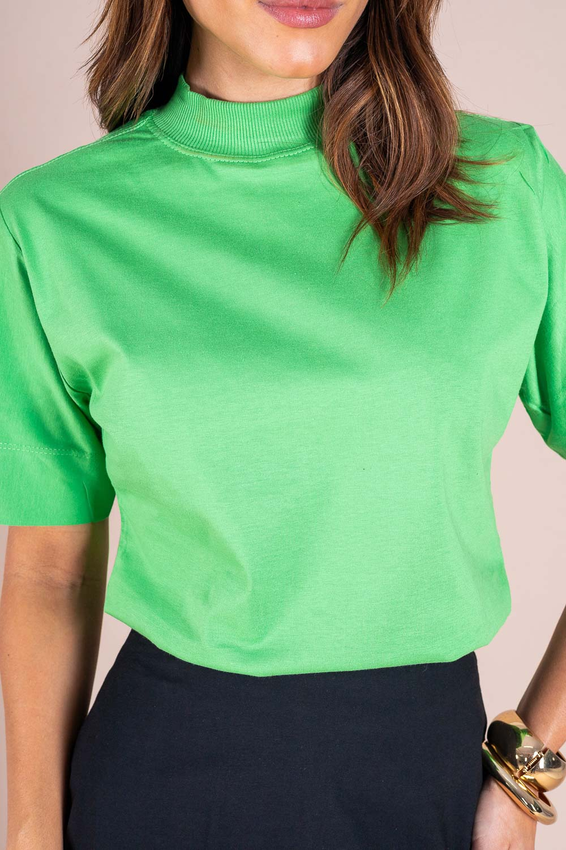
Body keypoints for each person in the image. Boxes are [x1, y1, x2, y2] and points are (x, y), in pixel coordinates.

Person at [1, 1, 565, 848]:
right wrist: (32, 836)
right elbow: (50, 572)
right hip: (159, 789)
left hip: (425, 789)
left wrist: (525, 779)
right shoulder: (53, 223)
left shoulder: (503, 185)